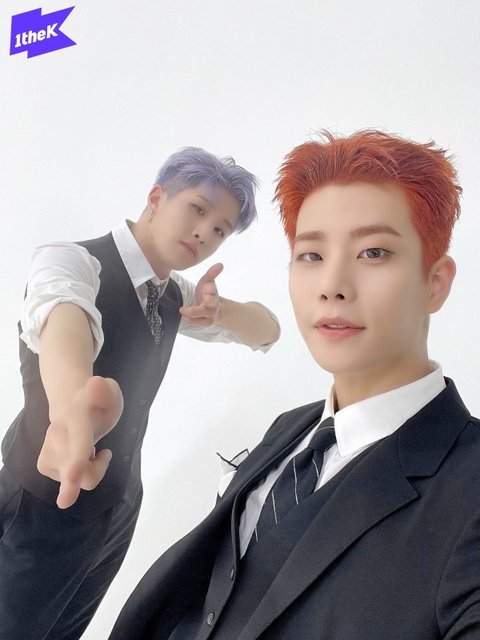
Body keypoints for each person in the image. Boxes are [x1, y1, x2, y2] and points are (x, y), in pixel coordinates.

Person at [109, 130, 480, 640]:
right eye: (311, 255)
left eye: (373, 252)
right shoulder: (291, 430)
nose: (332, 286)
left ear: (435, 282)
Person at [0, 146, 280, 640]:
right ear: (156, 198)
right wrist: (73, 406)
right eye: (197, 209)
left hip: (117, 512)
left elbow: (268, 331)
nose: (205, 233)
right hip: (44, 502)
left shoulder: (176, 294)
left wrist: (223, 313)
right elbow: (63, 314)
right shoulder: (72, 260)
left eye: (220, 230)